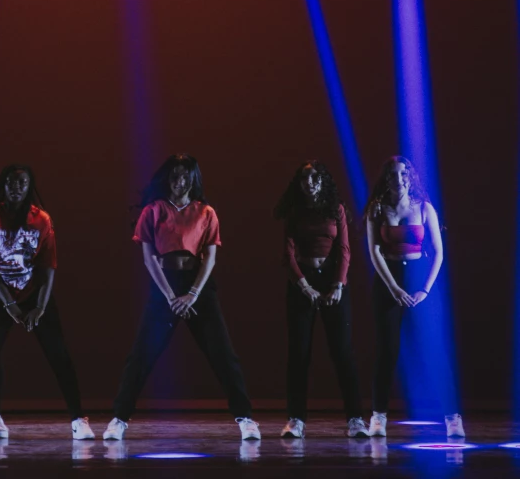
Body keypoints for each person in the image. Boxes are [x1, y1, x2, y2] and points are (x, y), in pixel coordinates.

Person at [103, 153, 260, 441]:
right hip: (164, 285)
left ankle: (246, 419)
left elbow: (210, 258)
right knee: (141, 356)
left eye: (185, 175)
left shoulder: (206, 212)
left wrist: (192, 294)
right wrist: (171, 295)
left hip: (197, 285)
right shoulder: (153, 210)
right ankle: (119, 419)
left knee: (223, 355)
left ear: (193, 179)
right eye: (174, 175)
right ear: (167, 178)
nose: (179, 180)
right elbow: (149, 259)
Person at [0, 164, 94, 441]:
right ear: (4, 185)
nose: (16, 187)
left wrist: (39, 306)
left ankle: (78, 420)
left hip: (35, 295)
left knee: (59, 357)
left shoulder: (42, 220)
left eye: (22, 183)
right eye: (12, 182)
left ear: (29, 187)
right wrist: (8, 304)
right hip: (3, 298)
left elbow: (48, 268)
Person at [365, 156, 464, 438]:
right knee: (387, 351)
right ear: (386, 179)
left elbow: (438, 252)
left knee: (434, 351)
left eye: (403, 174)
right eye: (393, 175)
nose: (398, 179)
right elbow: (374, 252)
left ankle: (452, 417)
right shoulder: (377, 208)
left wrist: (425, 290)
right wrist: (394, 288)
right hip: (388, 278)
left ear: (410, 178)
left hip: (419, 277)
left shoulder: (424, 208)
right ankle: (378, 417)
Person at [275, 161, 367, 439]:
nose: (310, 183)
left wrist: (338, 285)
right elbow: (288, 255)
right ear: (299, 184)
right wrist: (304, 286)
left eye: (315, 178)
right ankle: (296, 420)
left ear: (323, 182)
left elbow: (345, 249)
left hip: (332, 283)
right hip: (302, 284)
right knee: (299, 354)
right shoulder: (295, 213)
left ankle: (355, 420)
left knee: (342, 353)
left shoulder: (336, 209)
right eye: (305, 179)